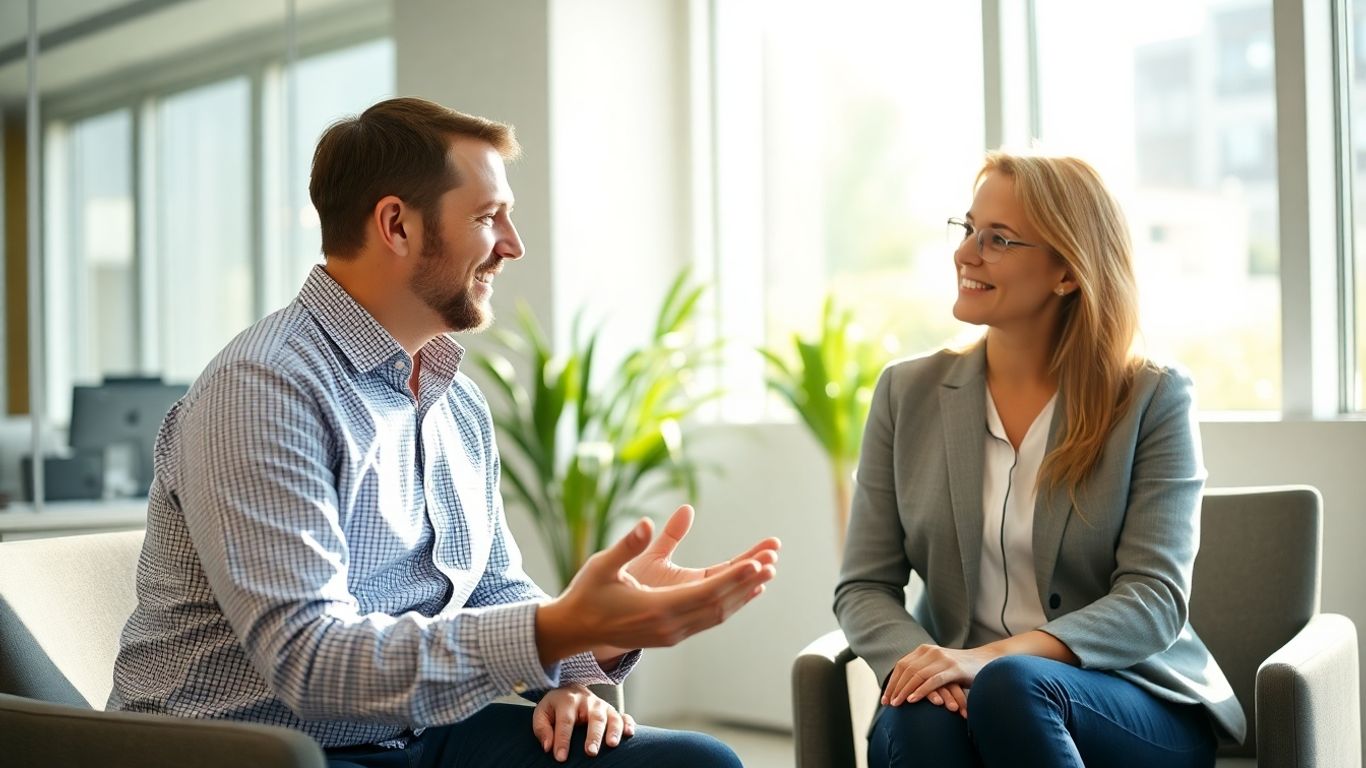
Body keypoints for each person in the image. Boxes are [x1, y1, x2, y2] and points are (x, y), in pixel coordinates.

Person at [109, 96, 780, 768]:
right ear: (396, 225)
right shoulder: (261, 389)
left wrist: (591, 644)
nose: (513, 245)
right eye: (489, 218)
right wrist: (553, 629)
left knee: (695, 762)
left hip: (419, 734)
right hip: (259, 750)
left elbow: (494, 587)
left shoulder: (455, 401)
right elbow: (308, 664)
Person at [834, 151, 1245, 768]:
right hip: (958, 687)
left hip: (1125, 696)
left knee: (1011, 686)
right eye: (968, 228)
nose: (965, 254)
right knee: (920, 717)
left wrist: (989, 658)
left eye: (997, 239)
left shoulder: (1151, 398)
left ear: (1067, 273)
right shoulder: (905, 393)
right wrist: (924, 669)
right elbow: (864, 585)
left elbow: (1153, 599)